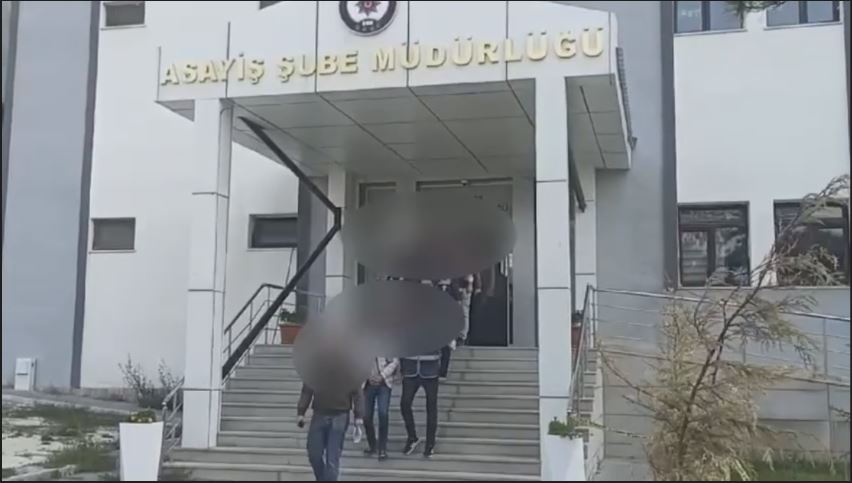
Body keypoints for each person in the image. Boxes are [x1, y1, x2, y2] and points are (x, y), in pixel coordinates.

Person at [297, 382, 364, 481]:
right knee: (314, 454)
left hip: (340, 414)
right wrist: (301, 412)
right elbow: (307, 390)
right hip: (319, 413)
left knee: (332, 459)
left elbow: (358, 392)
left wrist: (358, 415)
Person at [399, 349, 441, 458]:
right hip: (410, 370)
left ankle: (430, 444)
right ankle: (412, 437)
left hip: (430, 370)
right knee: (405, 404)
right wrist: (402, 367)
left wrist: (443, 370)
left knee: (431, 408)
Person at [362, 357, 399, 461]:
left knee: (383, 414)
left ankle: (382, 449)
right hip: (367, 384)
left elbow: (395, 361)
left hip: (384, 384)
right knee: (366, 416)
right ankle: (372, 445)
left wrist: (382, 375)